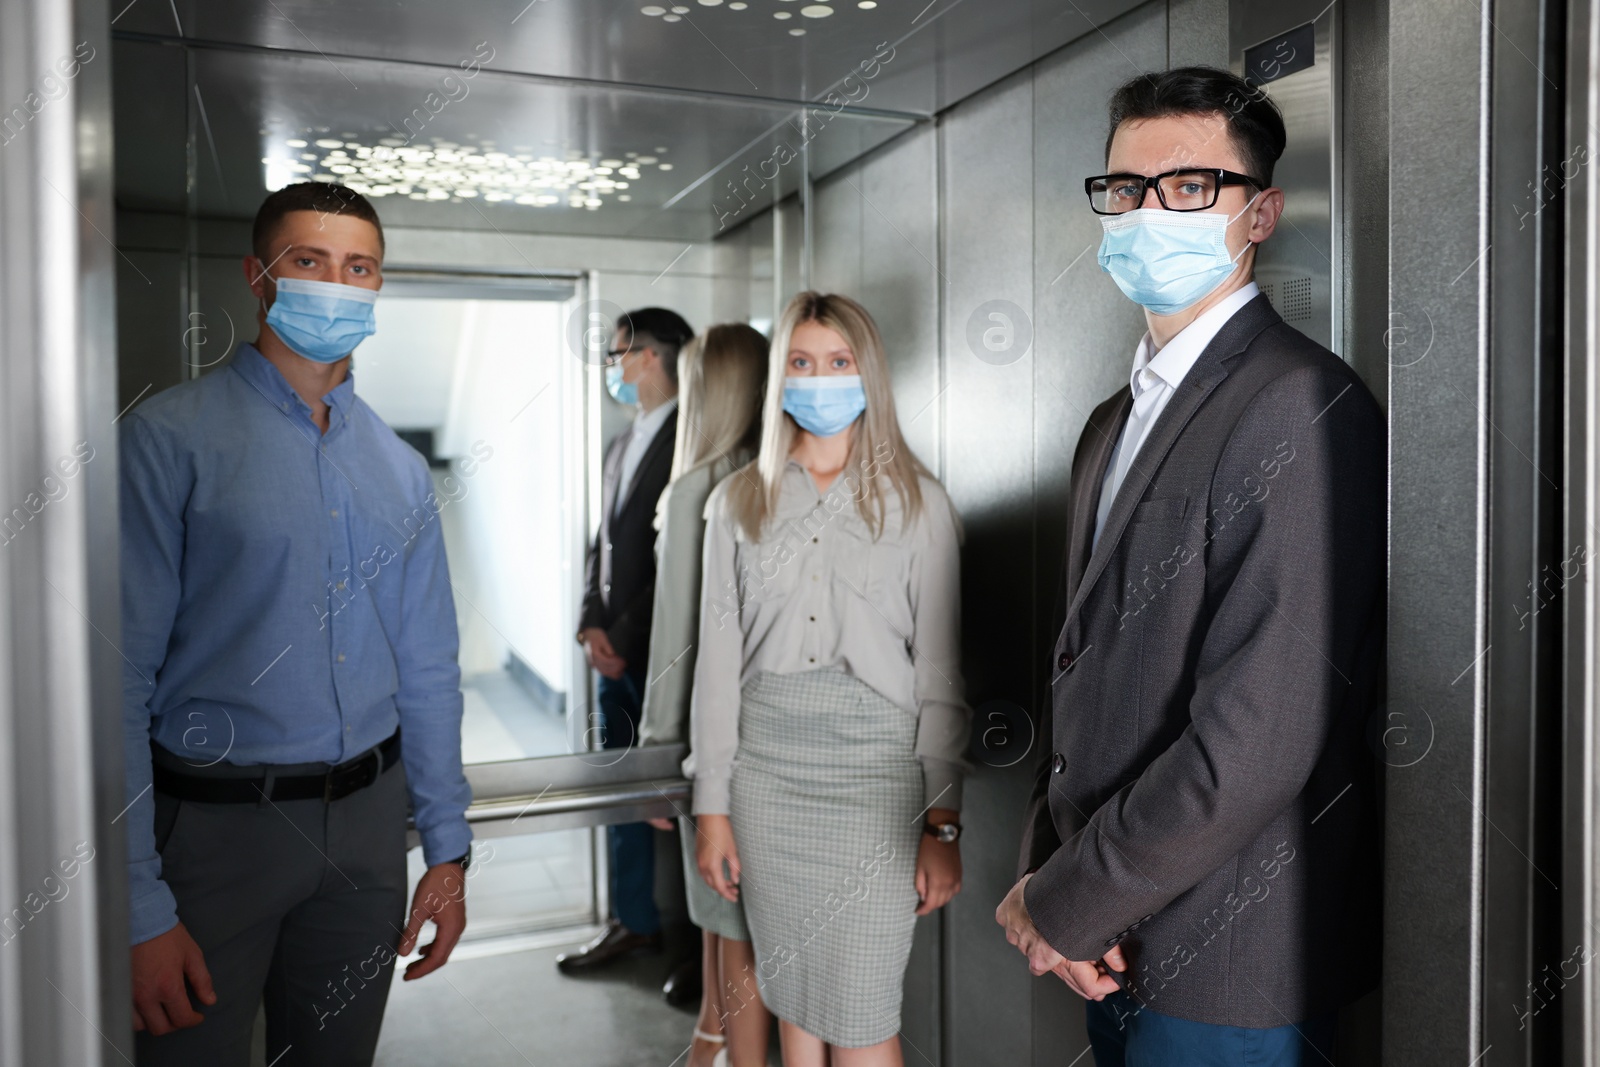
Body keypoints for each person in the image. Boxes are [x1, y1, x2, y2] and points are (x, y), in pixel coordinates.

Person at [995, 66, 1385, 1067]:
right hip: (1108, 935)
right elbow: (1086, 666)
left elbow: (1258, 736)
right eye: (1124, 189)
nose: (1145, 212)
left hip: (1230, 954)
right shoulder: (1109, 424)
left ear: (1258, 213)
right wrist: (1054, 876)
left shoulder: (1296, 402)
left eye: (1186, 187)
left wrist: (1068, 897)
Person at [121, 181, 474, 1066]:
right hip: (214, 835)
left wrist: (447, 849)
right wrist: (138, 907)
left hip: (366, 834)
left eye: (360, 268)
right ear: (259, 276)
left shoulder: (396, 470)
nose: (337, 283)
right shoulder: (170, 441)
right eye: (309, 262)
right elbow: (114, 684)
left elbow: (429, 667)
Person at [691, 292, 972, 1066]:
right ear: (777, 376)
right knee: (792, 1003)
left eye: (839, 362)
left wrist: (943, 819)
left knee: (861, 1010)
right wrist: (712, 806)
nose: (820, 379)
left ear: (869, 374)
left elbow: (943, 677)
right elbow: (716, 666)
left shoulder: (923, 506)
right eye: (801, 362)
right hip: (768, 781)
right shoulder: (736, 503)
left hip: (878, 786)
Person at [637, 323, 772, 1067]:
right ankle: (711, 1038)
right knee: (734, 911)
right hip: (774, 733)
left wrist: (658, 749)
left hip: (712, 738)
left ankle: (719, 1044)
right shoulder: (776, 474)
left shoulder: (700, 488)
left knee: (727, 910)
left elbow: (676, 636)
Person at [559, 306, 692, 974]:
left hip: (662, 655)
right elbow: (601, 545)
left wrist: (622, 632)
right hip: (611, 652)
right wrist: (590, 621)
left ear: (650, 356)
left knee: (679, 799)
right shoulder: (623, 441)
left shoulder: (692, 439)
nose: (613, 368)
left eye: (618, 355)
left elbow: (678, 564)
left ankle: (698, 945)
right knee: (620, 791)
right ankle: (633, 921)